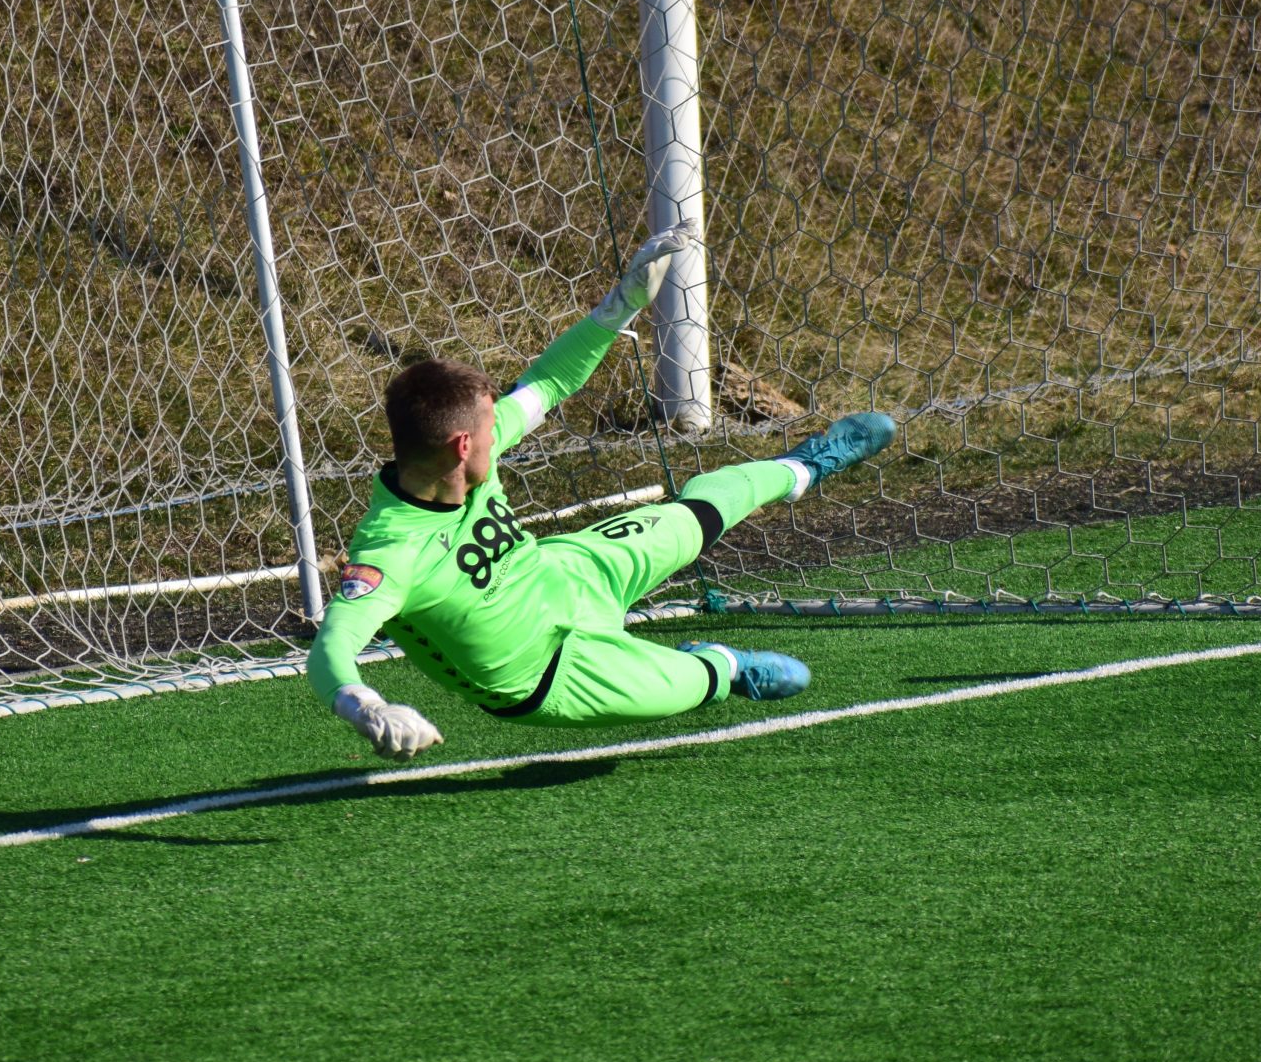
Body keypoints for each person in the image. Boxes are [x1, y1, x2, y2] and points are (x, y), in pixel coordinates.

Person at [310, 225, 894, 761]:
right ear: (463, 447)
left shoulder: (458, 453)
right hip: (555, 674)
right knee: (692, 686)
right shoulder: (390, 553)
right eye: (492, 428)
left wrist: (621, 304)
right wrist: (366, 704)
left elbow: (549, 381)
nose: (503, 429)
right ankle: (724, 666)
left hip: (569, 572)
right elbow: (330, 650)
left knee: (694, 518)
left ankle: (803, 468)